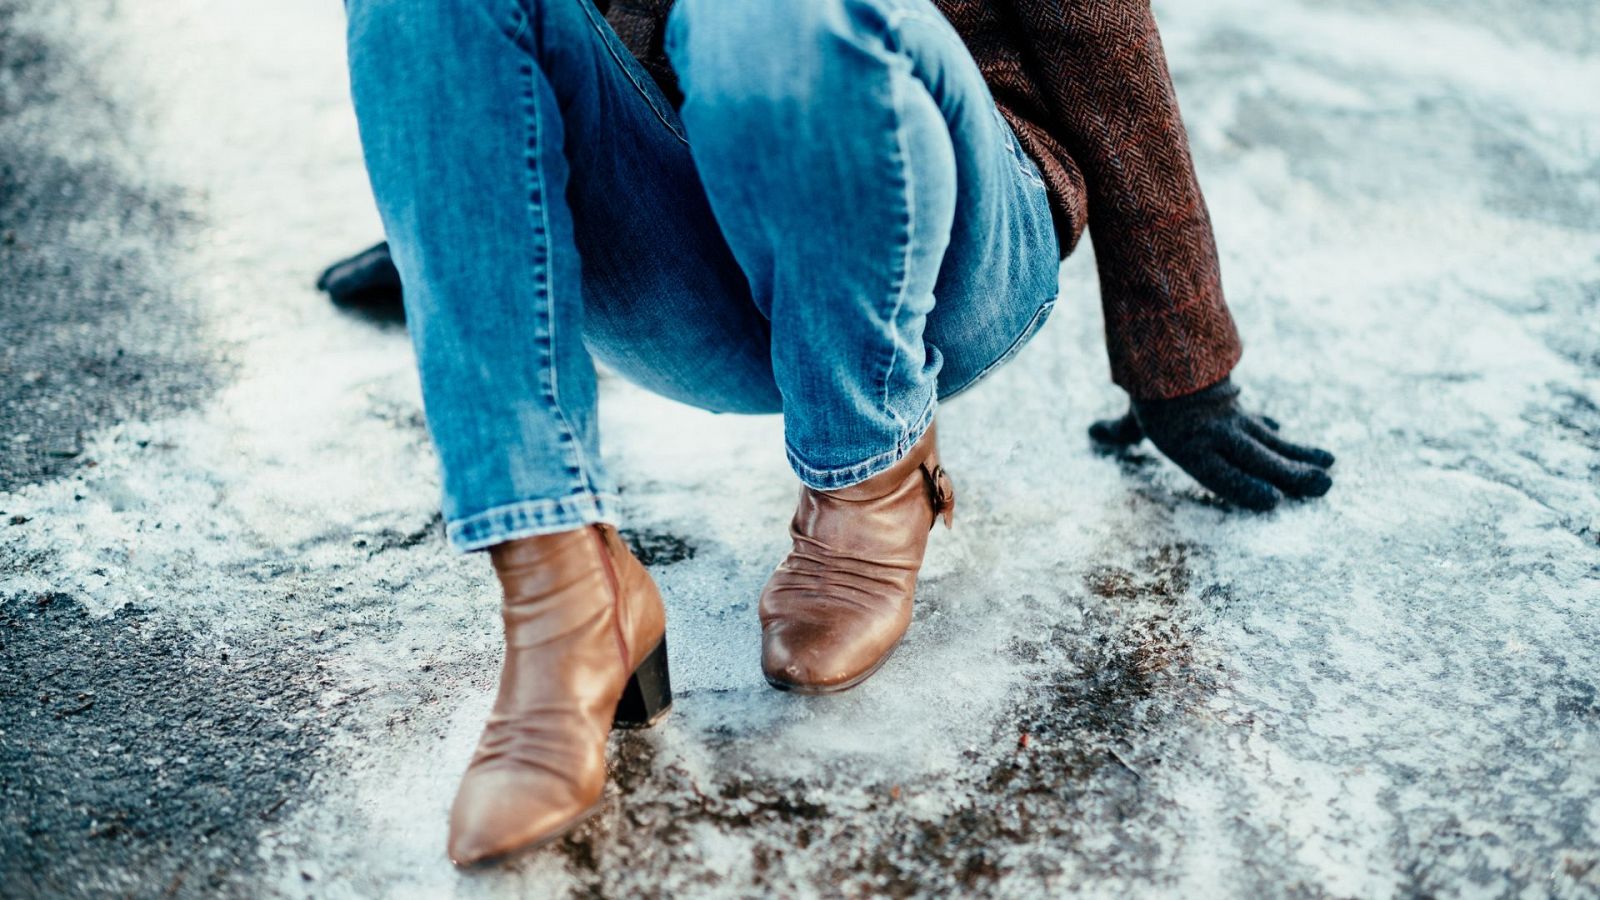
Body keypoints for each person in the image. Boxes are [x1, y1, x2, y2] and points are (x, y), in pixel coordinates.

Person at [339, 0, 1334, 866]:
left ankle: (870, 479)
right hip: (687, 250)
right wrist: (462, 213)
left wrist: (1180, 361)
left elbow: (1097, 33)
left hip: (942, 228)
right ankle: (561, 592)